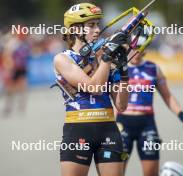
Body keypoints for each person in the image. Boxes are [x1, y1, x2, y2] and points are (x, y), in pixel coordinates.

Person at [53, 3, 129, 176]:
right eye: (91, 25)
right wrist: (107, 58)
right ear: (75, 29)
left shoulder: (103, 58)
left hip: (108, 129)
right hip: (78, 130)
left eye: (97, 24)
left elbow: (122, 105)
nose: (97, 30)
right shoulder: (63, 59)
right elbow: (94, 87)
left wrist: (123, 71)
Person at [116, 34, 183, 176]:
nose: (137, 51)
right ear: (127, 47)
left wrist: (180, 113)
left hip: (147, 124)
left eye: (140, 48)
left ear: (146, 49)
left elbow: (167, 96)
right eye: (134, 47)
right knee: (117, 172)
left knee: (151, 173)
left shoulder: (153, 68)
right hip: (122, 123)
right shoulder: (119, 68)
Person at [2, 31, 30, 115]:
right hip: (14, 68)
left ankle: (21, 107)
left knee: (23, 87)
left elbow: (26, 56)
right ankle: (8, 107)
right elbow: (7, 55)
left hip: (22, 68)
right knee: (10, 89)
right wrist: (9, 67)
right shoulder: (13, 43)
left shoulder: (25, 43)